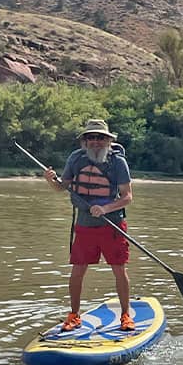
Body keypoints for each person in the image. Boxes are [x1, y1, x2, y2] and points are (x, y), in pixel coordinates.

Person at [43, 118, 135, 332]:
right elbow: (61, 187)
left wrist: (105, 209)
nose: (95, 141)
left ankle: (125, 315)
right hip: (84, 225)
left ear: (108, 141)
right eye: (91, 137)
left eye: (100, 138)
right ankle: (74, 315)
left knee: (119, 270)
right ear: (84, 141)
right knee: (77, 271)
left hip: (112, 226)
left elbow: (127, 197)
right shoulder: (75, 159)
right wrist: (50, 180)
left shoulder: (117, 162)